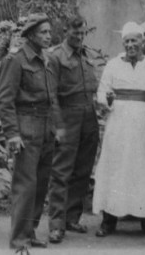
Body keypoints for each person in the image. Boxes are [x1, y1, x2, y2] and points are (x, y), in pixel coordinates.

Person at [0, 13, 64, 253]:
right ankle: (19, 241)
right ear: (31, 34)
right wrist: (12, 134)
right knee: (25, 186)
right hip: (26, 128)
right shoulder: (15, 60)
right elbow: (5, 99)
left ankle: (30, 232)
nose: (48, 36)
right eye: (43, 32)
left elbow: (52, 97)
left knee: (40, 184)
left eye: (49, 32)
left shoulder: (47, 59)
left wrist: (57, 127)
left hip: (46, 128)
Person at [93, 21, 145, 237]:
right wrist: (105, 100)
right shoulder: (113, 64)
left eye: (135, 40)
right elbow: (101, 93)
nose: (131, 44)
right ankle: (109, 221)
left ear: (143, 41)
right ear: (123, 43)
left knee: (144, 171)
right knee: (115, 169)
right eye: (127, 41)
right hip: (118, 125)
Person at [47, 16, 100, 243]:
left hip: (89, 117)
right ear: (65, 31)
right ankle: (56, 225)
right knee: (61, 172)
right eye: (75, 33)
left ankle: (72, 218)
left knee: (83, 170)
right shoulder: (56, 56)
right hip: (67, 117)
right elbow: (51, 96)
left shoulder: (85, 55)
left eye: (82, 34)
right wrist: (58, 126)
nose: (79, 37)